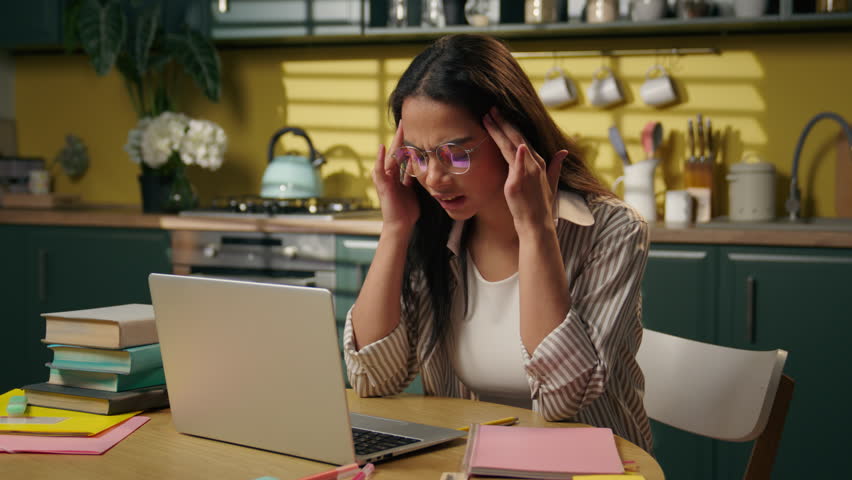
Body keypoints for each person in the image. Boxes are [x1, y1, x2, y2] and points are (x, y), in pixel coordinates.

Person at [342, 34, 652, 452]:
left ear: (514, 137)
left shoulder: (611, 229)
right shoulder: (432, 228)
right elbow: (371, 379)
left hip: (585, 466)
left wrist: (535, 228)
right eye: (417, 156)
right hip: (466, 462)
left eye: (454, 154)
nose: (433, 178)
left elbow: (562, 400)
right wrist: (396, 227)